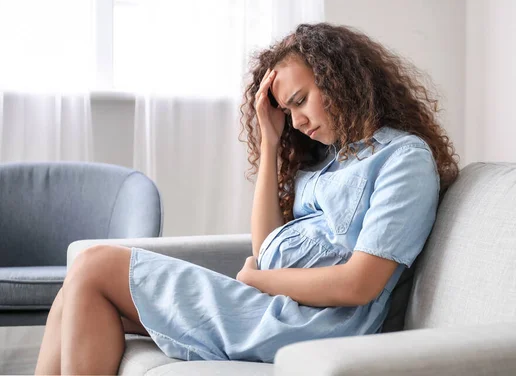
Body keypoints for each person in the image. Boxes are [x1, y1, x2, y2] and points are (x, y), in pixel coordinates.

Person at [35, 22, 459, 374]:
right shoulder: (332, 161)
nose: (299, 121)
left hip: (313, 324)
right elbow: (265, 248)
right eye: (288, 113)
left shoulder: (403, 159)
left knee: (95, 265)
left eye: (300, 101)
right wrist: (271, 142)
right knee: (77, 288)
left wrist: (259, 279)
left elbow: (360, 283)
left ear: (341, 80)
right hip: (272, 306)